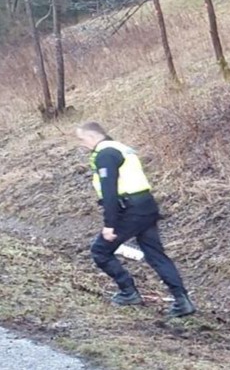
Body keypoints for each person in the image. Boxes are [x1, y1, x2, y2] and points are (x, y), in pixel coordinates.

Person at [75, 121, 196, 318]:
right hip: (146, 205)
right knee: (156, 254)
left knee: (100, 251)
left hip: (130, 210)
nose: (82, 144)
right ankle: (182, 300)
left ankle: (128, 292)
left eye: (82, 139)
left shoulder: (105, 155)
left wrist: (109, 224)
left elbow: (109, 193)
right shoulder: (121, 148)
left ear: (91, 137)